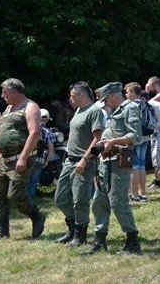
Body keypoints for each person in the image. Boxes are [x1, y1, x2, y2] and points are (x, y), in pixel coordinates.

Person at [81, 82, 142, 255]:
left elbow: (135, 136)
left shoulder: (129, 108)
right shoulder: (113, 111)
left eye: (106, 99)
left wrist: (112, 143)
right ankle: (99, 241)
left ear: (114, 95)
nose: (105, 103)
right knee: (99, 201)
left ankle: (133, 242)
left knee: (117, 202)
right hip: (105, 162)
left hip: (119, 162)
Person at [0, 79, 46, 242]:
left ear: (15, 92)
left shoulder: (30, 107)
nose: (2, 95)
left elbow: (34, 133)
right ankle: (2, 231)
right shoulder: (7, 108)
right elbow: (2, 134)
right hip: (3, 160)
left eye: (5, 92)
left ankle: (36, 216)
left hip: (20, 158)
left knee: (15, 195)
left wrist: (23, 158)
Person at [54, 81, 104, 247]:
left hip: (84, 162)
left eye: (73, 95)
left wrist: (84, 159)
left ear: (82, 95)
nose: (70, 98)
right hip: (70, 160)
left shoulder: (94, 111)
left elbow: (98, 138)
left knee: (80, 200)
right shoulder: (78, 110)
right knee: (60, 197)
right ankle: (72, 228)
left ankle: (80, 235)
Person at [124, 83, 151, 202]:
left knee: (134, 167)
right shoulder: (145, 102)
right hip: (146, 137)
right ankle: (142, 193)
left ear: (134, 93)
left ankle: (133, 194)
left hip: (136, 138)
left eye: (128, 92)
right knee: (141, 166)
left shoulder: (132, 105)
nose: (126, 94)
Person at [27, 108, 56, 200]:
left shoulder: (30, 128)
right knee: (33, 180)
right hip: (40, 158)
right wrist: (47, 161)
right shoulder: (47, 131)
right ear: (47, 120)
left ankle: (21, 200)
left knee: (25, 179)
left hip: (27, 156)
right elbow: (51, 149)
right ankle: (30, 201)